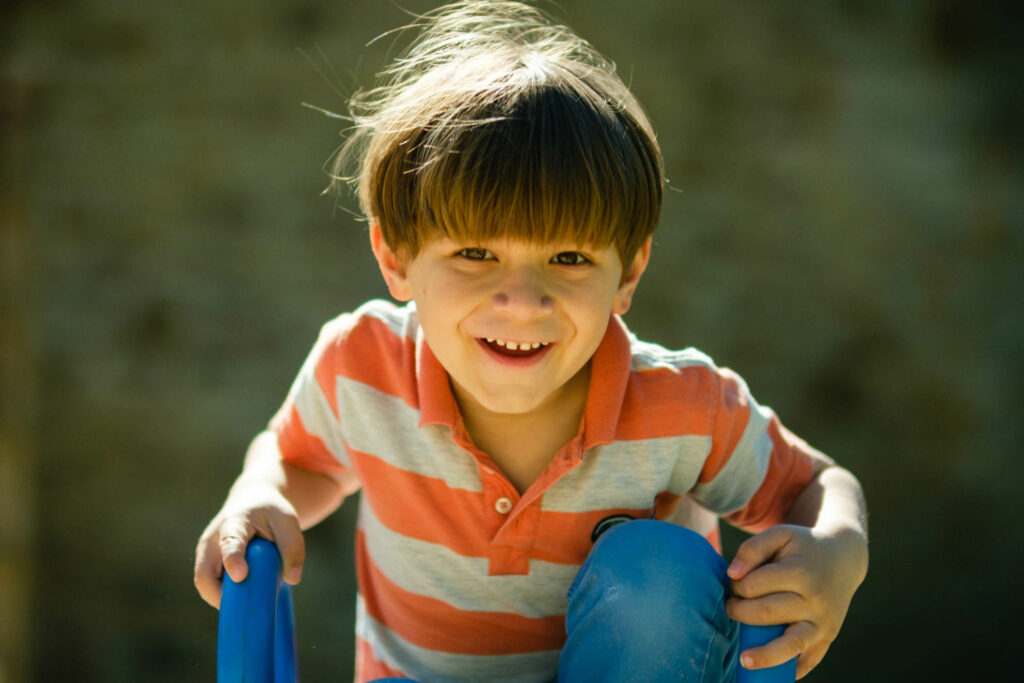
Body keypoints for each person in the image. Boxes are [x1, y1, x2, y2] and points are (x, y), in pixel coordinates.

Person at [193, 2, 868, 681]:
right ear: (395, 256)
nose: (522, 301)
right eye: (476, 252)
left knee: (657, 568)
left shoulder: (682, 410)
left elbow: (815, 484)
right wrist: (258, 492)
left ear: (628, 271)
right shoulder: (363, 366)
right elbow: (295, 461)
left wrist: (838, 552)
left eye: (568, 258)